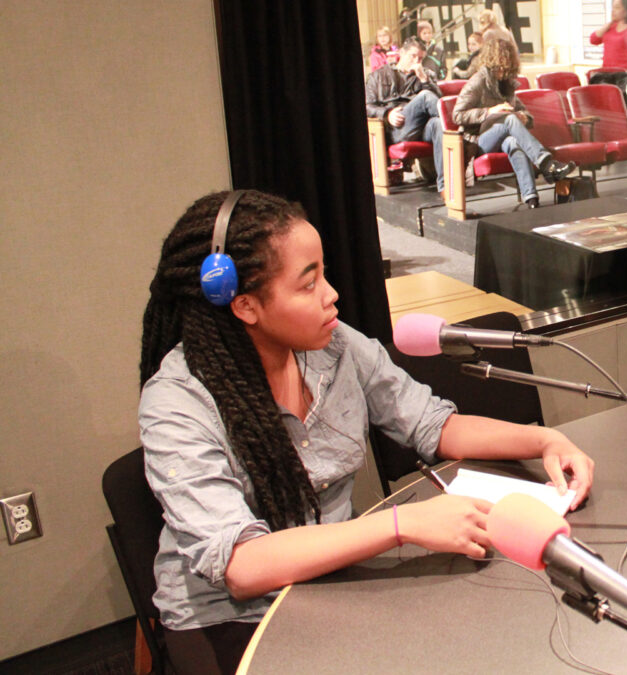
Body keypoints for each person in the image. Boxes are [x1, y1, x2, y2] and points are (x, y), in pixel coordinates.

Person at [139, 190, 595, 673]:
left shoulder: (334, 345)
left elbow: (435, 425)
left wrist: (545, 440)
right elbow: (243, 567)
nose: (331, 294)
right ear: (246, 305)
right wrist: (402, 526)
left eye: (325, 274)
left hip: (333, 580)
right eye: (307, 284)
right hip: (232, 621)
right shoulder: (177, 402)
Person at [453, 36, 576, 208]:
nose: (504, 73)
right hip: (479, 140)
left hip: (503, 137)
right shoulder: (478, 81)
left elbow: (522, 109)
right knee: (509, 119)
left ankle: (531, 198)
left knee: (513, 142)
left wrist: (525, 117)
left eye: (507, 68)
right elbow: (458, 115)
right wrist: (490, 111)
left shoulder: (506, 83)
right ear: (493, 61)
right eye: (501, 68)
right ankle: (548, 165)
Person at [365, 37, 445, 193]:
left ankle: (445, 187)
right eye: (413, 56)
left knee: (437, 123)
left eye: (420, 58)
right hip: (398, 128)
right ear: (402, 53)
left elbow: (439, 100)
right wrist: (386, 114)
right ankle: (461, 133)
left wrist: (423, 79)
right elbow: (367, 106)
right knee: (425, 96)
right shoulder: (379, 76)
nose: (416, 61)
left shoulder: (425, 74)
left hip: (421, 128)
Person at [588, 0, 627, 88]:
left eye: (617, 8)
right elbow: (593, 40)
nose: (613, 10)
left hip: (626, 75)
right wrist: (609, 24)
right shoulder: (610, 27)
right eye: (613, 7)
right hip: (607, 74)